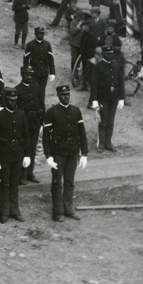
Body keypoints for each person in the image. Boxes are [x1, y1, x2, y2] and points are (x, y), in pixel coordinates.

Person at [43, 85, 88, 221]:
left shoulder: (76, 111)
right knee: (57, 183)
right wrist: (48, 156)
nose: (66, 97)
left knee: (69, 182)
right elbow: (46, 137)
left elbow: (82, 133)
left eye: (68, 94)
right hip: (58, 153)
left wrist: (84, 153)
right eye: (63, 95)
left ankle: (68, 209)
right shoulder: (51, 112)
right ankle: (58, 212)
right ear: (58, 96)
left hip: (72, 151)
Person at [0, 87, 30, 223]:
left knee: (14, 183)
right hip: (3, 154)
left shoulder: (21, 115)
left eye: (15, 100)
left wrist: (27, 154)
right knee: (4, 183)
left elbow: (26, 136)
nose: (13, 103)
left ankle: (15, 210)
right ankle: (4, 211)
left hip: (17, 153)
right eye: (10, 100)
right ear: (5, 100)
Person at [89, 45, 124, 152]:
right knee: (103, 121)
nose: (109, 56)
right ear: (103, 54)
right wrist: (94, 99)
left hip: (114, 98)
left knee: (111, 120)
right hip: (103, 97)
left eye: (111, 54)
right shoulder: (98, 67)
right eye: (107, 54)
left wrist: (122, 98)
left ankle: (109, 143)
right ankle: (102, 143)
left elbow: (121, 82)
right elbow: (94, 84)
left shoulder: (116, 65)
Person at [23, 27, 55, 111]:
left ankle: (41, 109)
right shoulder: (30, 45)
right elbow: (25, 60)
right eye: (39, 33)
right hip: (34, 73)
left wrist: (52, 73)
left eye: (42, 33)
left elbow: (51, 59)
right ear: (35, 34)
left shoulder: (47, 45)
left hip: (44, 72)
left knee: (42, 91)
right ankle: (34, 107)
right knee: (34, 90)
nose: (41, 35)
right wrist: (25, 72)